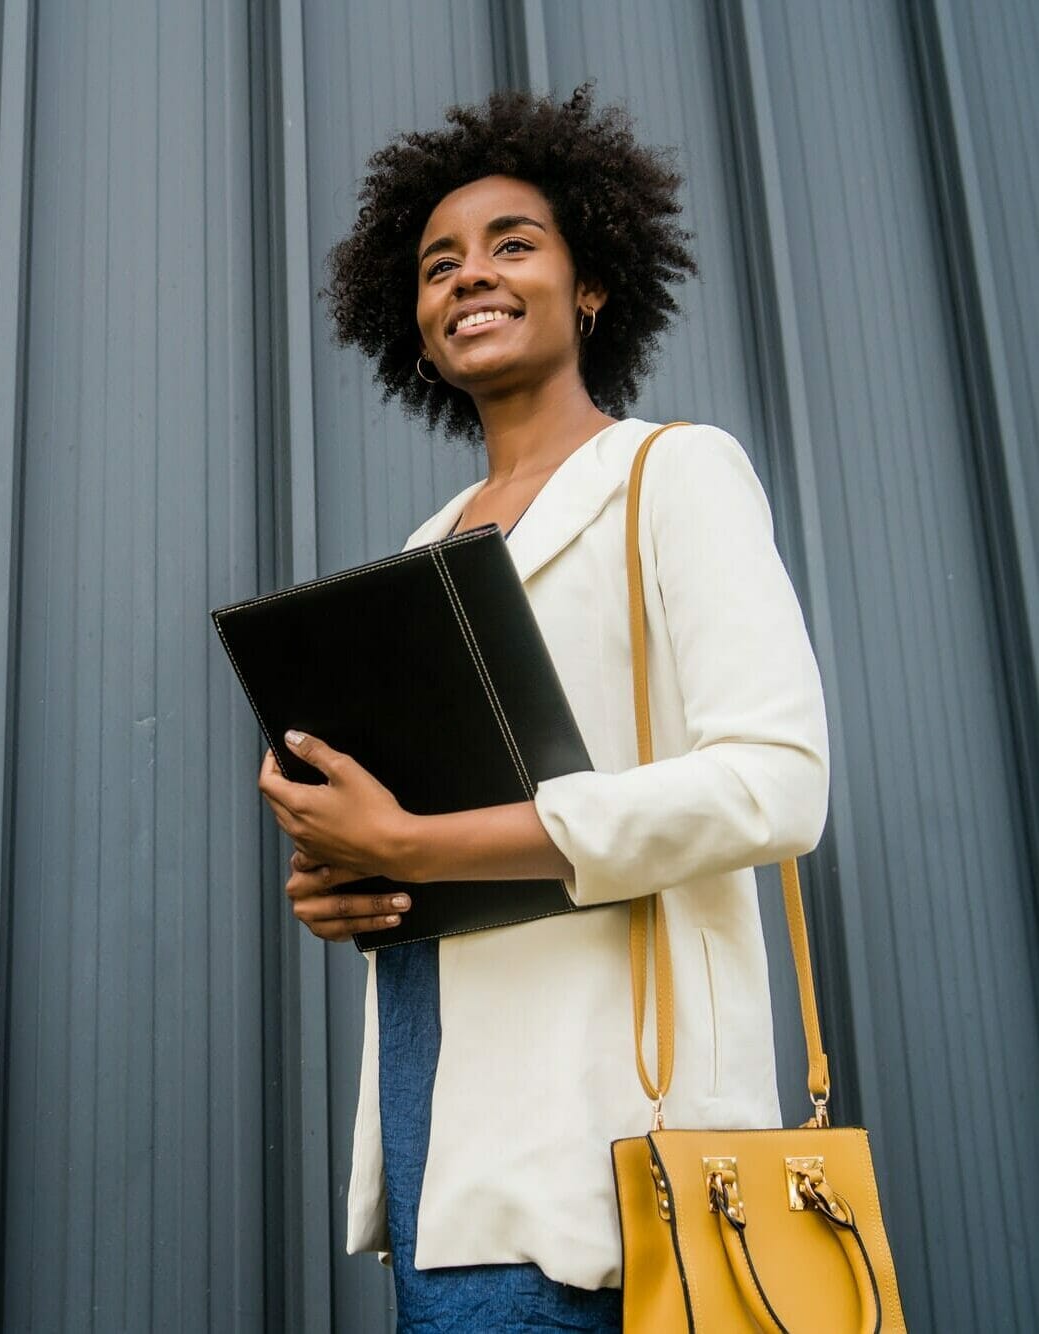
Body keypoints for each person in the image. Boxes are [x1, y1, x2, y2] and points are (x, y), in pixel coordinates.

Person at [258, 85, 830, 1333]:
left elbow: (776, 781)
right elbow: (423, 832)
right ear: (411, 321)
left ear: (590, 285)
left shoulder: (672, 472)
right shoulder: (422, 553)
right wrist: (350, 875)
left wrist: (421, 842)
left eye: (513, 243)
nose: (472, 276)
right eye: (437, 264)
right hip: (437, 1111)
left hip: (610, 1133)